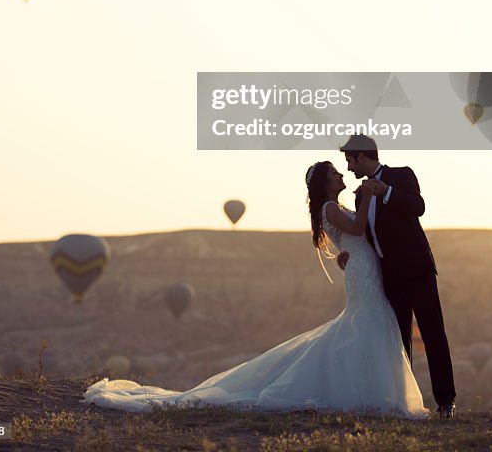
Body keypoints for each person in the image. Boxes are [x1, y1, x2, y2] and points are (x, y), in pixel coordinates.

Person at [82, 162, 429, 416]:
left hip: (364, 268)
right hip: (362, 272)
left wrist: (351, 241)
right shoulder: (330, 208)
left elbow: (355, 234)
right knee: (365, 323)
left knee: (368, 324)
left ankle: (378, 394)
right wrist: (369, 194)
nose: (341, 175)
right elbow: (356, 225)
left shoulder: (332, 207)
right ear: (325, 183)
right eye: (335, 174)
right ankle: (371, 395)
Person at [339, 134, 456, 418]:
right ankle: (407, 403)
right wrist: (349, 255)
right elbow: (368, 233)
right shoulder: (358, 194)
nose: (349, 168)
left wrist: (386, 192)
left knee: (432, 334)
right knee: (399, 340)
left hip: (417, 270)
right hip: (389, 277)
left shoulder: (401, 175)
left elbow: (419, 206)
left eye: (350, 161)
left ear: (363, 157)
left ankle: (445, 402)